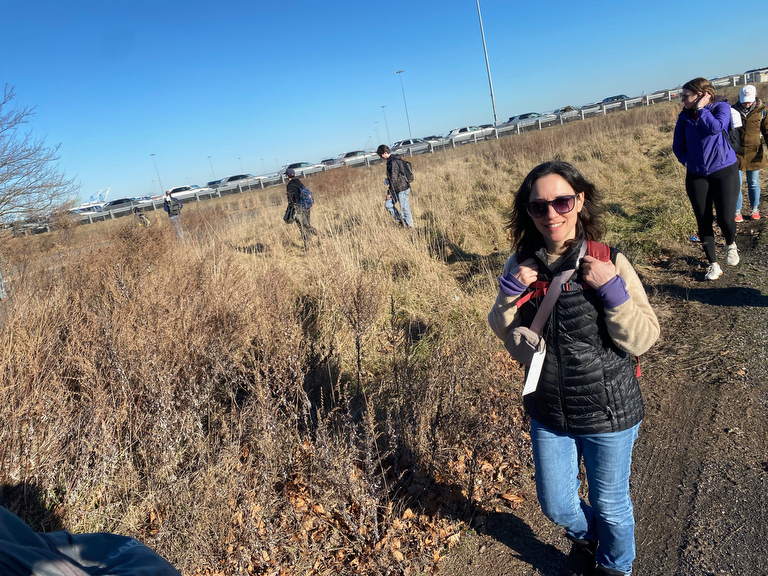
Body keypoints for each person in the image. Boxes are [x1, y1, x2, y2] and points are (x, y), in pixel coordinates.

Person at [488, 161, 660, 576]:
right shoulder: (519, 264)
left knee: (611, 504)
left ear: (579, 201)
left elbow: (643, 338)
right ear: (528, 211)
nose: (551, 214)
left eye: (562, 201)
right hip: (548, 408)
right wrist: (510, 293)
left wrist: (612, 289)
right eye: (538, 206)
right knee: (557, 505)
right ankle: (589, 537)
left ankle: (616, 567)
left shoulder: (609, 260)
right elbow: (505, 332)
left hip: (608, 410)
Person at [672, 77, 740, 281]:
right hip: (697, 174)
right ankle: (713, 264)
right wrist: (687, 162)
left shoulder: (721, 108)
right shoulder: (684, 117)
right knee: (703, 220)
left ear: (701, 95)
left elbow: (716, 128)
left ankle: (730, 244)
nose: (682, 100)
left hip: (724, 169)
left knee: (725, 218)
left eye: (686, 96)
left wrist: (702, 110)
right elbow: (678, 145)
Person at [733, 84, 768, 222]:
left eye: (749, 101)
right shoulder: (732, 110)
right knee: (737, 184)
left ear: (755, 98)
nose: (746, 104)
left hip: (754, 152)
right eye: (744, 101)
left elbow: (766, 130)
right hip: (736, 153)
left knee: (753, 183)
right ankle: (737, 211)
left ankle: (755, 209)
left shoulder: (762, 111)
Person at [376, 145, 414, 228]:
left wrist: (389, 193)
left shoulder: (393, 161)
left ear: (385, 153)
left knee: (404, 208)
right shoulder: (391, 161)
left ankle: (410, 227)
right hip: (397, 188)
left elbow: (394, 179)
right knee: (388, 205)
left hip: (402, 188)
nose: (381, 157)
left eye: (381, 155)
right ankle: (402, 222)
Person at [285, 168, 317, 249]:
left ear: (287, 176)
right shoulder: (299, 182)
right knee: (307, 225)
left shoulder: (289, 186)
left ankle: (308, 245)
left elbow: (291, 200)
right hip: (306, 206)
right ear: (294, 175)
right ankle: (315, 238)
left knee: (303, 227)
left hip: (298, 208)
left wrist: (290, 211)